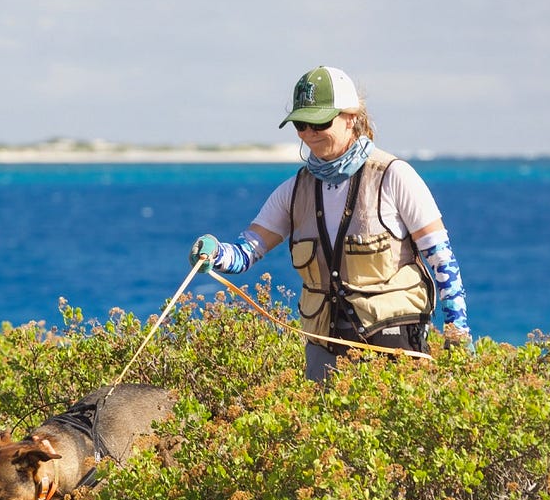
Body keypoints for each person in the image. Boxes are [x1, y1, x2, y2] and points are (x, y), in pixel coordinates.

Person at [190, 65, 472, 382]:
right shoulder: (293, 192)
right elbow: (245, 253)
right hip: (324, 350)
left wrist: (457, 335)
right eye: (301, 123)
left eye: (320, 121)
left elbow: (442, 260)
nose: (309, 132)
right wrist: (213, 254)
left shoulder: (394, 176)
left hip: (394, 347)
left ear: (351, 117)